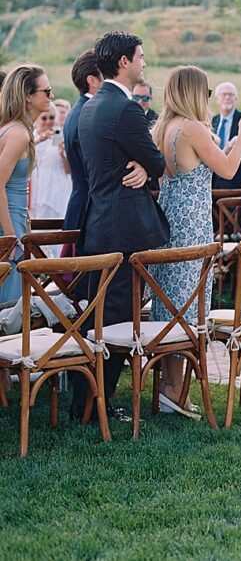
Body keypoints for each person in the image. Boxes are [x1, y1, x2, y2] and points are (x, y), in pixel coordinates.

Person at [149, 66, 241, 414]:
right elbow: (227, 169)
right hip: (191, 221)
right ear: (195, 93)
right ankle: (177, 392)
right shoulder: (192, 127)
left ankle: (168, 385)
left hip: (168, 215)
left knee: (169, 301)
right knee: (187, 300)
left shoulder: (163, 127)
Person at [76, 32, 169, 421]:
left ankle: (90, 401)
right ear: (124, 62)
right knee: (116, 318)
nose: (144, 63)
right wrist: (149, 166)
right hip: (125, 228)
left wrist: (142, 167)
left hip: (99, 222)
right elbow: (158, 161)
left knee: (103, 315)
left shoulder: (91, 106)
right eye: (140, 57)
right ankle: (95, 405)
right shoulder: (126, 110)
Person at [0, 65, 53, 302]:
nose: (50, 97)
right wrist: (11, 236)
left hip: (15, 221)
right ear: (28, 97)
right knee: (10, 306)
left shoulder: (15, 130)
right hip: (8, 226)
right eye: (47, 91)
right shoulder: (17, 133)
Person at [63, 49, 103, 234]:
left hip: (82, 203)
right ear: (92, 80)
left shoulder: (79, 110)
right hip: (88, 210)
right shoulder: (89, 114)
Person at [29, 102, 72, 222]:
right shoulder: (29, 138)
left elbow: (69, 171)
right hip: (34, 191)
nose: (48, 121)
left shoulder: (62, 138)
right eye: (44, 118)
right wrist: (38, 140)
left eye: (52, 117)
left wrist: (63, 155)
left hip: (54, 191)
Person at [211, 81, 241, 190]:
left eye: (231, 94)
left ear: (236, 99)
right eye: (224, 94)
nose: (227, 97)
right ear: (217, 99)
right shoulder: (211, 121)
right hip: (213, 181)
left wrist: (234, 147)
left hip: (236, 181)